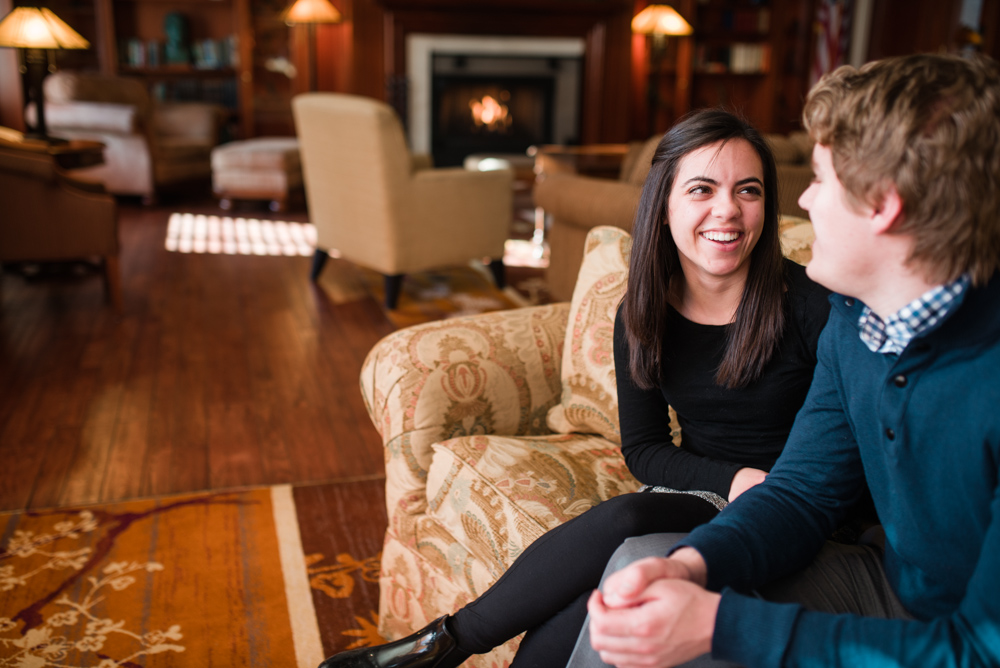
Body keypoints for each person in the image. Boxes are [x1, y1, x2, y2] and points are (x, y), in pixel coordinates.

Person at [316, 108, 832, 668]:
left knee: (625, 525)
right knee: (600, 576)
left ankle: (440, 646)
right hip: (705, 490)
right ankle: (441, 647)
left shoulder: (809, 304)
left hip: (788, 502)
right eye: (702, 188)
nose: (727, 210)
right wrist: (730, 478)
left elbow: (847, 444)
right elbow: (644, 449)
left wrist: (763, 485)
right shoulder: (643, 312)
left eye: (748, 190)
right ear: (663, 206)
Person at [575, 52, 1000, 668]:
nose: (800, 199)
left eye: (821, 178)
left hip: (962, 640)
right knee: (645, 568)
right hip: (885, 586)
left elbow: (979, 652)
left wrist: (720, 624)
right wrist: (691, 565)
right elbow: (802, 492)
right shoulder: (857, 321)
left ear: (884, 204)